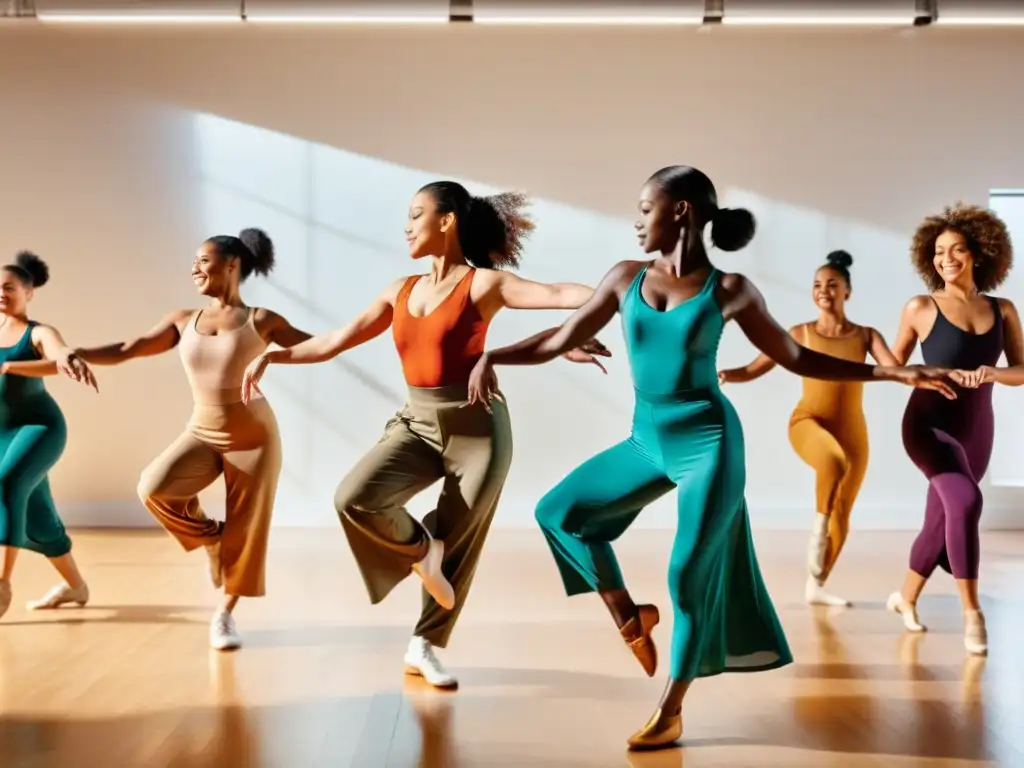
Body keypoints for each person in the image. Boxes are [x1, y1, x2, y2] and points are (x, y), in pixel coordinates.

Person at [466, 166, 958, 750]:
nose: (635, 219)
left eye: (644, 207)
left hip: (710, 445)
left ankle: (671, 708)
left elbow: (796, 356)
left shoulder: (728, 290)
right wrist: (494, 354)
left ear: (680, 212)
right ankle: (629, 613)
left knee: (687, 576)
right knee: (557, 512)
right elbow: (559, 336)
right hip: (646, 442)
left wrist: (893, 370)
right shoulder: (624, 279)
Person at [241, 181, 608, 688]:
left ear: (447, 221)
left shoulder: (484, 285)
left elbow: (560, 293)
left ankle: (425, 645)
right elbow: (333, 341)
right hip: (417, 424)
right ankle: (420, 551)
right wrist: (274, 354)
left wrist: (598, 314)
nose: (407, 226)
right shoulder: (400, 290)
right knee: (355, 497)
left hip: (478, 430)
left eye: (416, 214)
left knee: (458, 541)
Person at [41, 229, 311, 650]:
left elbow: (319, 346)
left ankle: (223, 617)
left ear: (232, 264)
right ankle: (210, 540)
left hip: (254, 439)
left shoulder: (263, 320)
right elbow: (131, 347)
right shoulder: (184, 320)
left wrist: (287, 351)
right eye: (194, 261)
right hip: (202, 430)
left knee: (248, 530)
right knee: (154, 487)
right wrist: (76, 352)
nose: (195, 268)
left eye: (204, 260)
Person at [718, 250, 901, 607]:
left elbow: (894, 370)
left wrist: (927, 375)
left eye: (832, 285)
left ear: (847, 291)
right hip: (808, 421)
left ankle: (816, 585)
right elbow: (756, 367)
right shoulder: (799, 333)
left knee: (844, 513)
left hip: (854, 432)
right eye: (817, 285)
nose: (823, 291)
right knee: (832, 464)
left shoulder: (866, 336)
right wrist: (727, 374)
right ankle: (816, 533)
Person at [885, 202, 1020, 657]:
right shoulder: (920, 307)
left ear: (979, 253)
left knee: (941, 519)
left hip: (977, 428)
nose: (947, 259)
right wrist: (931, 372)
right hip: (927, 424)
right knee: (966, 500)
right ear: (930, 257)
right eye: (940, 251)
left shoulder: (1003, 310)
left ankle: (904, 597)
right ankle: (971, 613)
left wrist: (991, 373)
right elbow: (892, 367)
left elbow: (1022, 369)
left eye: (957, 249)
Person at [0, 251, 98, 621]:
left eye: (9, 287)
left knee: (7, 483)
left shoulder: (37, 331)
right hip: (1, 435)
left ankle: (1, 583)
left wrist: (66, 356)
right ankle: (75, 587)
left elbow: (58, 353)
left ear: (29, 292)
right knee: (38, 517)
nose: (1, 293)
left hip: (39, 429)